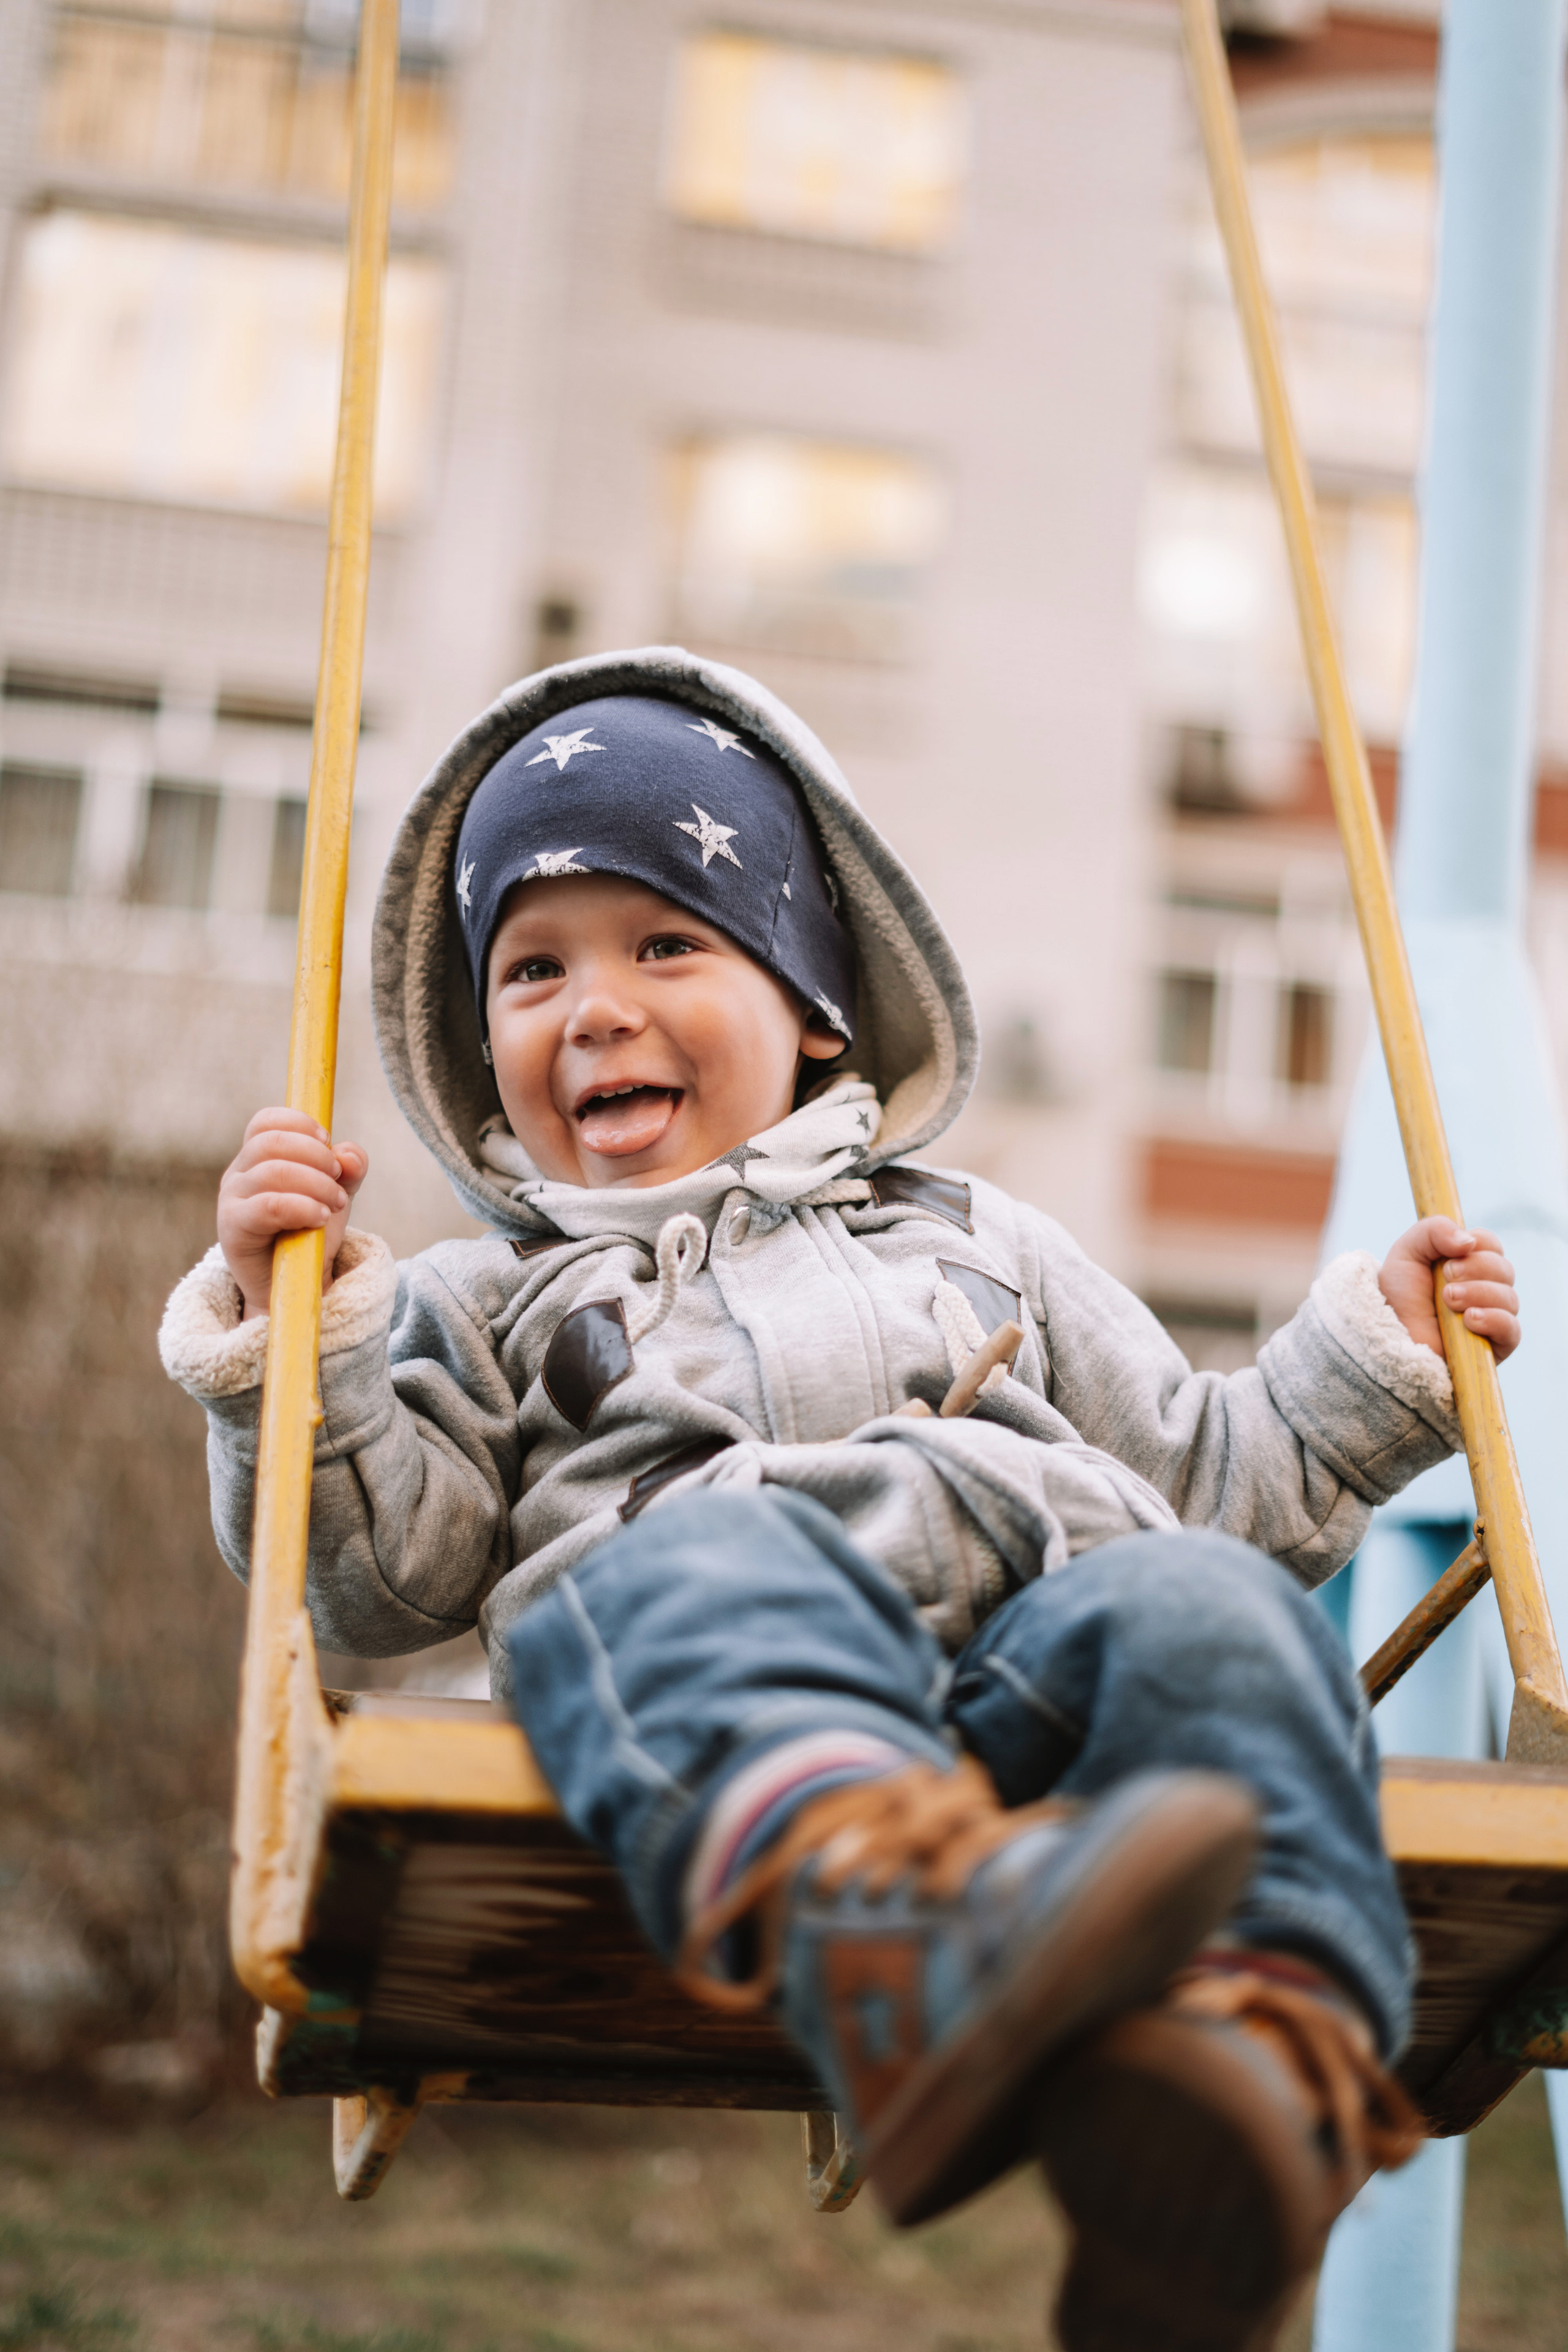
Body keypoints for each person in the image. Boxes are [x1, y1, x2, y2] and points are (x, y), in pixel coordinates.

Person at [160, 650, 1520, 2352]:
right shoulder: (474, 1302)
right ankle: (899, 1947)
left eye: (668, 942)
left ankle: (1252, 2094)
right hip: (724, 1686)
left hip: (1041, 1672)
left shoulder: (984, 1237)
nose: (594, 1006)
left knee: (1214, 1611)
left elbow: (1213, 1482)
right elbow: (375, 1585)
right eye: (531, 968)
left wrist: (1368, 1357)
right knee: (670, 1565)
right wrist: (307, 1334)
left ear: (811, 1004)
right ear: (482, 1036)